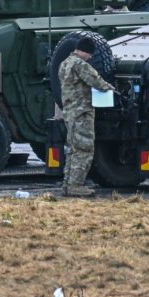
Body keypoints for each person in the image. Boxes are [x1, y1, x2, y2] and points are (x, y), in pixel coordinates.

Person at [57, 37, 115, 197]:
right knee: (84, 148)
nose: (91, 58)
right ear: (85, 51)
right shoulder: (80, 65)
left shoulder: (64, 63)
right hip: (81, 112)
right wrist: (112, 89)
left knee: (73, 149)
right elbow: (97, 82)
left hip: (70, 112)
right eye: (90, 54)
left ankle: (68, 184)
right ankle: (76, 185)